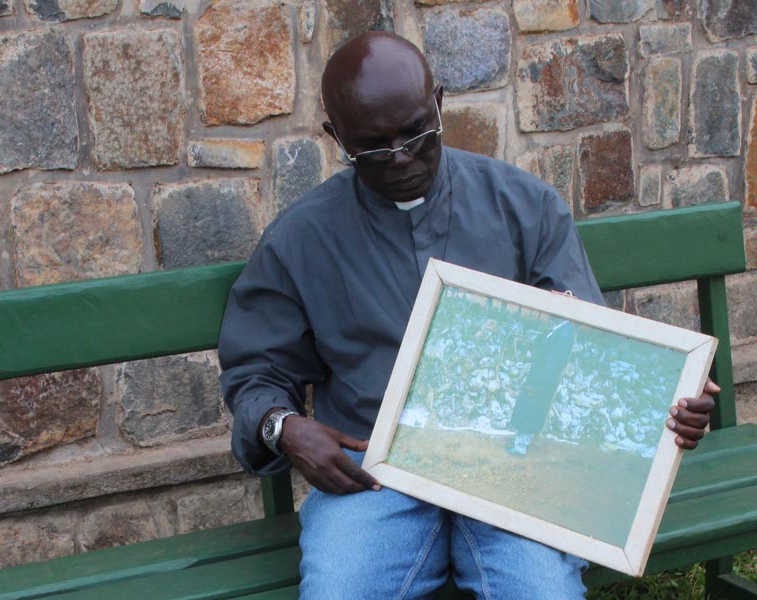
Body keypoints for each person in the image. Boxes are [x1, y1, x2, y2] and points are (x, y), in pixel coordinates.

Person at [218, 31, 717, 599]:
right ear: (337, 137)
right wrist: (283, 428)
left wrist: (670, 404)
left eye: (416, 133)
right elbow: (255, 371)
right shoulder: (300, 240)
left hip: (515, 469)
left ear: (439, 102)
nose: (402, 157)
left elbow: (591, 351)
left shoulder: (524, 205)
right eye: (373, 147)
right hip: (372, 472)